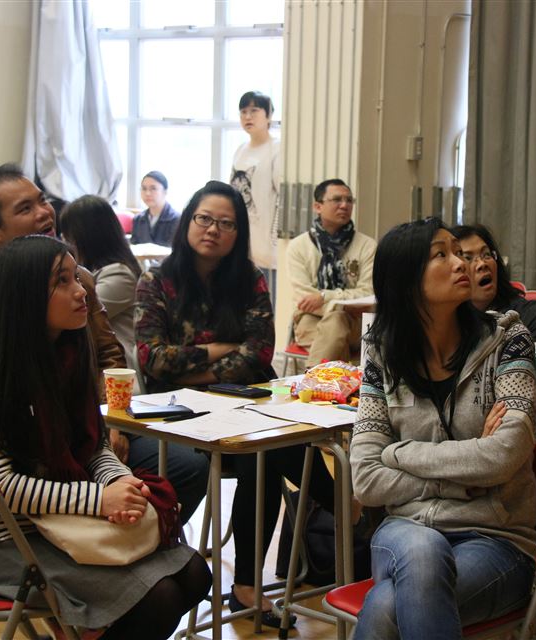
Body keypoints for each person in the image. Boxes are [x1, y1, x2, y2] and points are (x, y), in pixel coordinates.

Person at [0, 235, 210, 640]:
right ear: (25, 295)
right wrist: (100, 499)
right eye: (63, 281)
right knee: (159, 597)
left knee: (195, 573)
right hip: (2, 541)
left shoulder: (67, 354)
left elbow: (93, 447)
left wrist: (120, 482)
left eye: (77, 277)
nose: (81, 291)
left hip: (64, 522)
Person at [135, 180, 335, 627]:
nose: (213, 230)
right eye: (204, 219)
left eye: (226, 224)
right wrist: (222, 350)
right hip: (179, 415)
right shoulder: (157, 280)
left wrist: (193, 365)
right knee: (265, 450)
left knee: (264, 447)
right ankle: (350, 510)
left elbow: (260, 353)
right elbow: (154, 359)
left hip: (244, 405)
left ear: (237, 233)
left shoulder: (249, 279)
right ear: (188, 221)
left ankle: (248, 586)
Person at [350, 217, 536, 640]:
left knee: (385, 608)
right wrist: (460, 475)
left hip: (496, 538)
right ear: (406, 280)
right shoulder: (382, 353)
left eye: (459, 252)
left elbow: (504, 455)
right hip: (405, 531)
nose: (461, 263)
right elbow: (365, 479)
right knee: (423, 548)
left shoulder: (508, 339)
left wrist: (398, 453)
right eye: (443, 254)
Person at [60, 195, 209, 526]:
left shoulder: (117, 275)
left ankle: (152, 533)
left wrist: (112, 424)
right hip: (96, 414)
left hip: (122, 393)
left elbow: (105, 352)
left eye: (68, 235)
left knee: (186, 466)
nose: (80, 293)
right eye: (62, 280)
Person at [0, 164, 124, 378]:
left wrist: (95, 397)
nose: (44, 212)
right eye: (25, 209)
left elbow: (109, 355)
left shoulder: (78, 278)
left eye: (43, 200)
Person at [287, 179, 376, 366]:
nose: (344, 205)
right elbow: (304, 298)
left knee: (336, 322)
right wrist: (342, 304)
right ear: (318, 206)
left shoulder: (367, 246)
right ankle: (335, 378)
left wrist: (324, 297)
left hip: (355, 322)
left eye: (349, 200)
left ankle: (312, 379)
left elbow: (367, 293)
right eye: (337, 199)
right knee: (336, 329)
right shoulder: (298, 246)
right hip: (311, 320)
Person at [454, 224, 536, 341]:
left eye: (486, 254)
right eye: (468, 258)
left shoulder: (529, 316)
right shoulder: (446, 323)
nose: (482, 264)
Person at [230, 91, 281, 274]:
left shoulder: (277, 149)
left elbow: (282, 199)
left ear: (269, 115)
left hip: (268, 251)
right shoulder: (240, 150)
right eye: (243, 112)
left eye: (254, 111)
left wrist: (275, 240)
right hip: (241, 244)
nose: (247, 117)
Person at [130, 171, 180, 247]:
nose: (147, 193)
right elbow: (134, 246)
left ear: (165, 192)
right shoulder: (138, 219)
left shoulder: (177, 219)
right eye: (144, 189)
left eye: (153, 188)